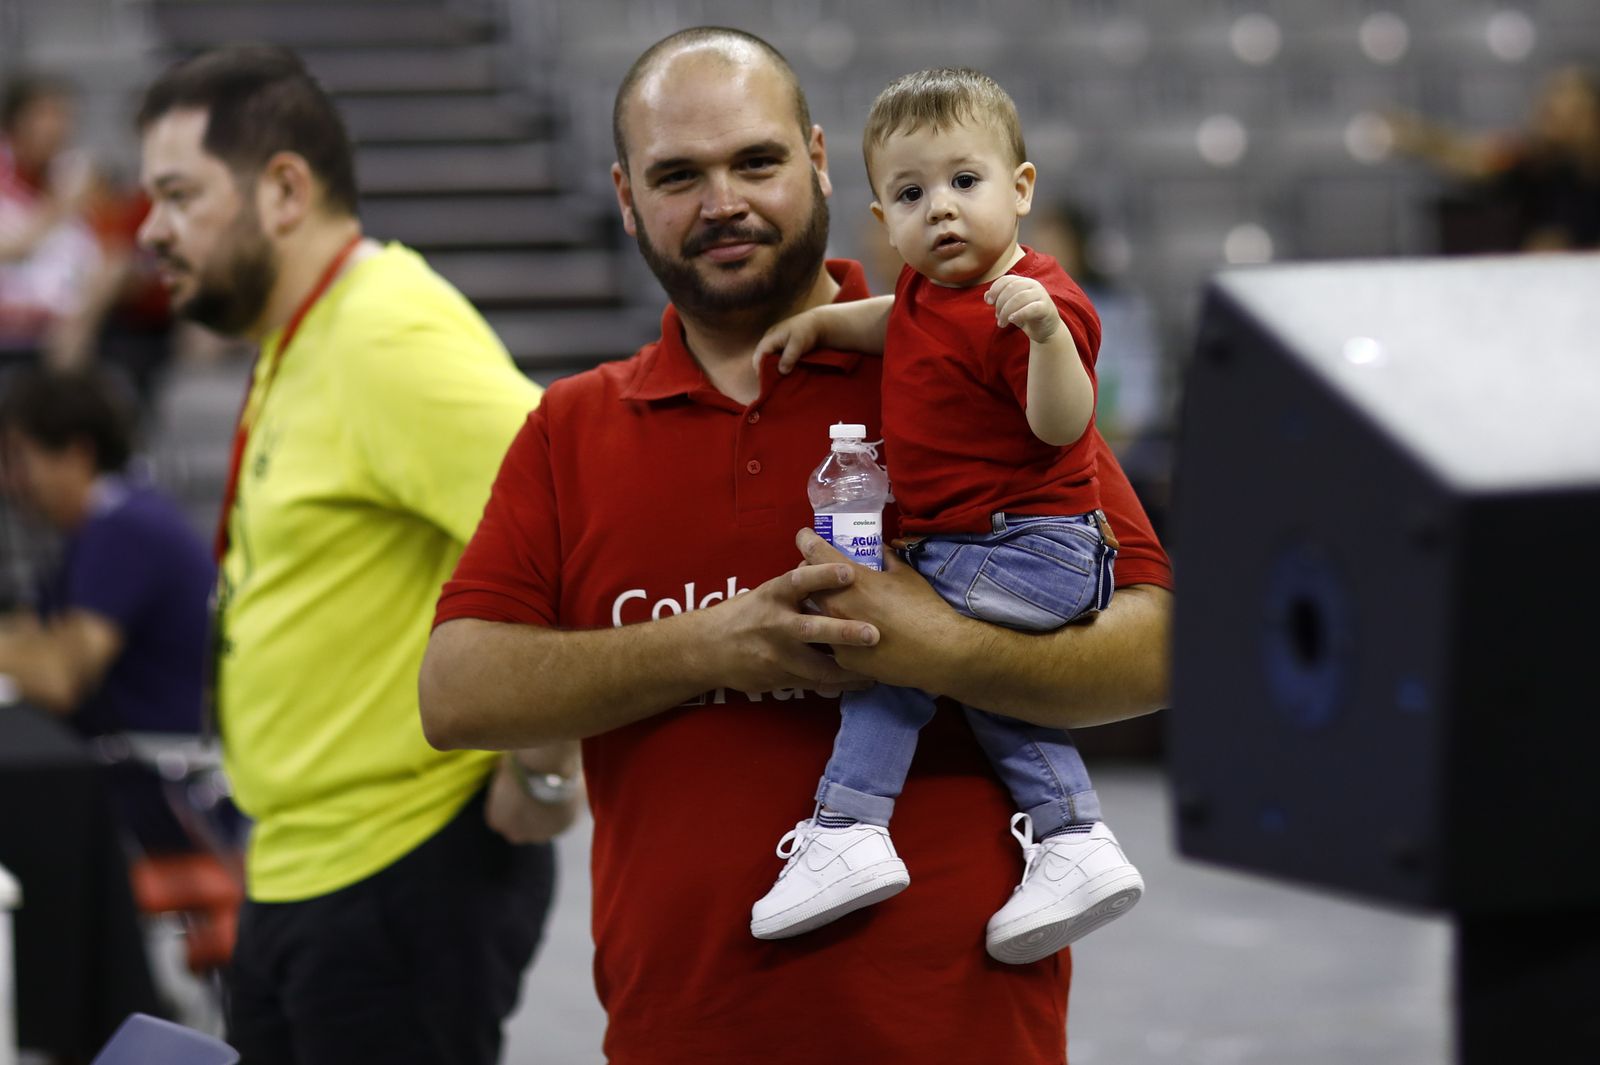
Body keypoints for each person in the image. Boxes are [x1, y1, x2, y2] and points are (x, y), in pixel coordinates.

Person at [420, 27, 1173, 1064]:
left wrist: (937, 646)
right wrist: (714, 644)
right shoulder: (573, 427)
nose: (721, 200)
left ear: (818, 162)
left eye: (756, 162)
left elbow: (1159, 644)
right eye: (677, 175)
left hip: (957, 1035)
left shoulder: (959, 349)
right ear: (626, 197)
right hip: (676, 1036)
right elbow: (457, 692)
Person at [134, 46, 577, 1063]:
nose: (151, 227)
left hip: (399, 876)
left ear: (284, 188)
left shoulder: (385, 333)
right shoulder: (301, 334)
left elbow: (570, 513)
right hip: (303, 867)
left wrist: (547, 766)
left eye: (178, 194)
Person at [746, 66, 1142, 963]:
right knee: (972, 674)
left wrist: (1045, 335)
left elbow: (1062, 423)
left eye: (967, 183)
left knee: (892, 639)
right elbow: (900, 321)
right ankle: (1075, 837)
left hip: (1036, 546)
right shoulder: (932, 292)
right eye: (913, 195)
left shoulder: (1031, 298)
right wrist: (828, 325)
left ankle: (850, 820)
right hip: (987, 548)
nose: (944, 210)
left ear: (1021, 188)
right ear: (884, 223)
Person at [0, 366, 214, 853]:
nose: (9, 481)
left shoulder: (124, 529)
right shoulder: (109, 523)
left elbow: (61, 676)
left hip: (164, 786)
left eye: (19, 458)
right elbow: (35, 633)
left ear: (76, 453)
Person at [1388, 64, 1600, 251]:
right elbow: (1476, 160)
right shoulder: (1530, 160)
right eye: (1552, 113)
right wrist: (1423, 140)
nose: (1562, 125)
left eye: (1576, 114)